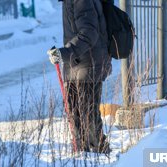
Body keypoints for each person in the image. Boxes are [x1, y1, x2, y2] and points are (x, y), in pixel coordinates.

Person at [47, 0, 112, 154]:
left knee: (88, 118)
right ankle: (83, 155)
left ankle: (100, 156)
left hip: (86, 67)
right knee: (76, 115)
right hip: (79, 66)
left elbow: (89, 33)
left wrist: (64, 53)